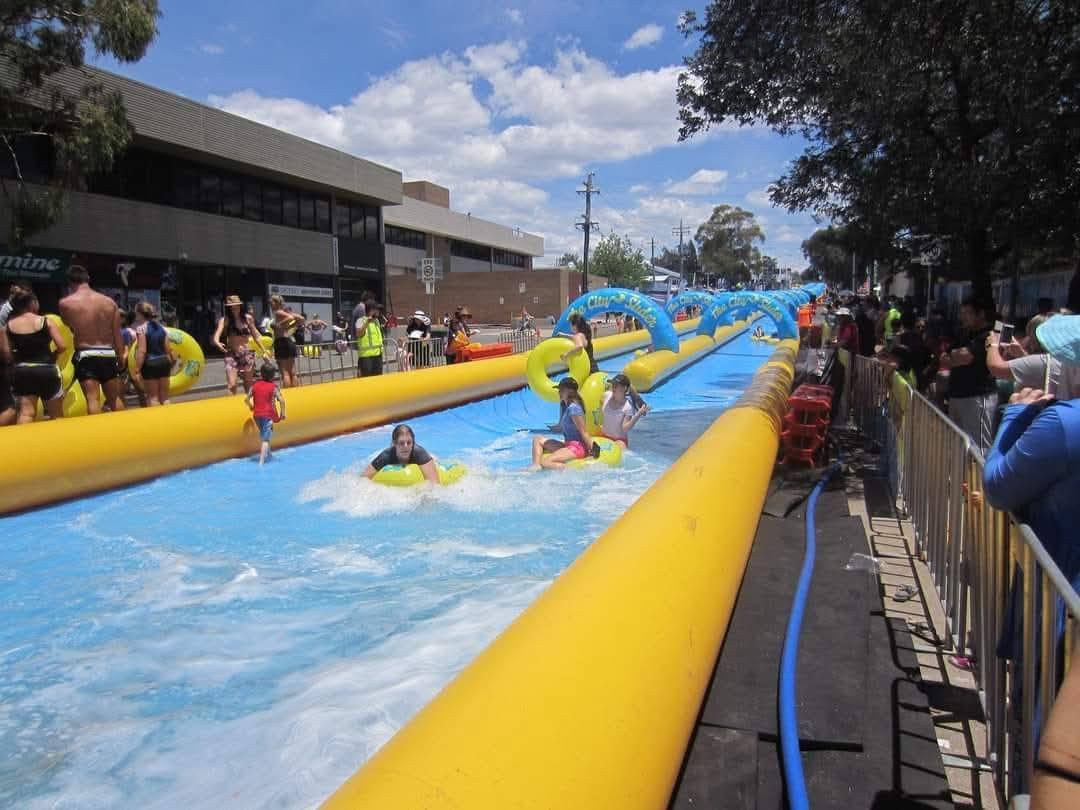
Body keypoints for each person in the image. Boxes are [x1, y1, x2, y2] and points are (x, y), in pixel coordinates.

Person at [58, 265, 125, 414]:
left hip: (86, 353)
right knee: (114, 398)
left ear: (69, 282)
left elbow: (69, 325)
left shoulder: (66, 303)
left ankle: (98, 434)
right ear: (88, 278)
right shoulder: (109, 302)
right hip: (108, 352)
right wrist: (120, 355)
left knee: (92, 398)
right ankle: (123, 430)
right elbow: (117, 333)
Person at [939, 298, 998, 453]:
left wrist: (954, 355)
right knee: (958, 445)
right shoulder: (964, 334)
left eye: (968, 313)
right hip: (957, 395)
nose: (963, 316)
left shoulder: (988, 335)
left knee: (978, 447)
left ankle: (980, 478)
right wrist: (954, 355)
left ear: (981, 314)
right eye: (962, 313)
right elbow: (944, 358)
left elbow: (965, 357)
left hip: (977, 397)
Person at [5, 289, 66, 423]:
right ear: (32, 303)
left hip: (23, 370)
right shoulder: (46, 321)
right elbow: (62, 346)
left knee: (26, 413)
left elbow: (8, 353)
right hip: (47, 369)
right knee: (56, 415)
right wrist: (54, 355)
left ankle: (23, 442)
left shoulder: (9, 325)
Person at [527, 377, 598, 471]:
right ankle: (535, 465)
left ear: (570, 391)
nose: (559, 392)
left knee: (546, 462)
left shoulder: (574, 408)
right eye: (559, 390)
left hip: (577, 447)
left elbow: (583, 432)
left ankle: (574, 470)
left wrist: (593, 450)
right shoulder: (566, 406)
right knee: (537, 439)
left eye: (561, 390)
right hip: (568, 444)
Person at [214, 294, 265, 395]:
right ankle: (232, 407)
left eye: (237, 305)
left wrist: (264, 351)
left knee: (248, 384)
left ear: (240, 306)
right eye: (232, 306)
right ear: (229, 307)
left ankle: (250, 406)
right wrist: (217, 342)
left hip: (246, 354)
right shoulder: (225, 320)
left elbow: (255, 335)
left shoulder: (248, 318)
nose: (234, 307)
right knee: (232, 385)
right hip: (231, 354)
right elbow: (217, 335)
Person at [132, 301, 176, 406]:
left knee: (153, 398)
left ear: (139, 313)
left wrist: (137, 369)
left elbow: (142, 350)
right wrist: (172, 361)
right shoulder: (162, 328)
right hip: (164, 362)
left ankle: (157, 421)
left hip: (150, 363)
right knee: (165, 397)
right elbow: (168, 349)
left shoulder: (141, 329)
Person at [364, 423, 439, 483]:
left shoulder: (419, 453)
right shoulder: (386, 456)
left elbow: (435, 484)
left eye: (409, 442)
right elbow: (363, 479)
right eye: (401, 443)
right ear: (394, 443)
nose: (406, 446)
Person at [245, 362, 286, 465]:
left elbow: (246, 399)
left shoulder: (254, 386)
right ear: (273, 376)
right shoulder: (273, 387)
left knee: (265, 435)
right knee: (266, 439)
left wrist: (251, 406)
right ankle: (261, 462)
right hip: (267, 415)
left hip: (256, 416)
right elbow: (281, 401)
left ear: (261, 374)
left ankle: (269, 454)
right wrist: (283, 413)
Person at [600, 373, 649, 446]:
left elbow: (625, 428)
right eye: (613, 385)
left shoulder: (627, 406)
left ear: (624, 388)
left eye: (616, 386)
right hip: (603, 436)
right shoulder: (606, 395)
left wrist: (638, 415)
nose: (613, 388)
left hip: (619, 440)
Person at [269, 294, 304, 388]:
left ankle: (288, 394)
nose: (270, 303)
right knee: (292, 372)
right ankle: (296, 393)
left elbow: (291, 318)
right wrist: (289, 326)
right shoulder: (284, 312)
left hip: (281, 342)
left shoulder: (278, 312)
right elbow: (301, 319)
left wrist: (280, 324)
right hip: (288, 341)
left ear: (276, 302)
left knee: (285, 372)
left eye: (271, 301)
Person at [356, 299, 385, 377]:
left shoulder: (376, 321)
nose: (378, 311)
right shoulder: (360, 320)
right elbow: (358, 334)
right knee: (366, 381)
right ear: (371, 310)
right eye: (376, 309)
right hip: (366, 358)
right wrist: (366, 323)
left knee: (378, 380)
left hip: (378, 356)